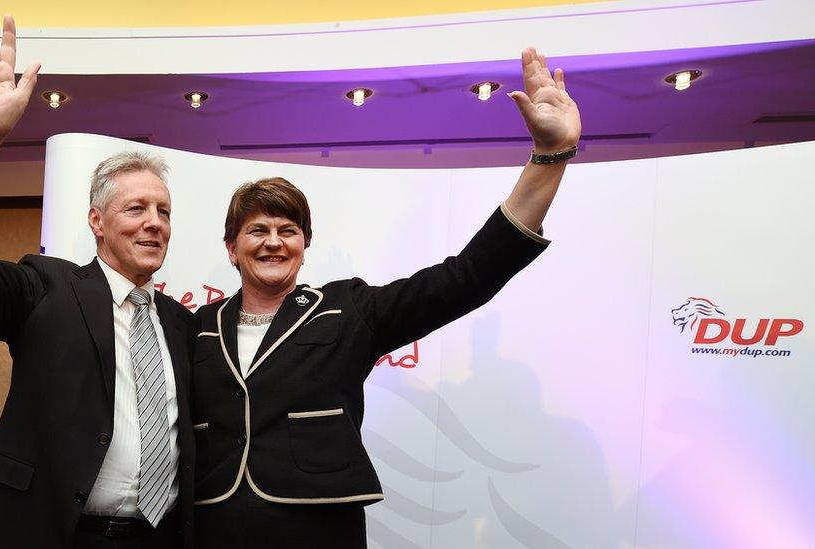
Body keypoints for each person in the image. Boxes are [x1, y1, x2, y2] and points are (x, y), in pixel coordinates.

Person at [190, 47, 581, 548]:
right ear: (231, 248)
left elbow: (467, 277)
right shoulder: (195, 325)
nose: (272, 241)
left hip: (318, 528)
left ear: (304, 248)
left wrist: (549, 159)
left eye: (287, 230)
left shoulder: (348, 309)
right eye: (256, 230)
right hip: (212, 527)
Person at [0, 5, 197, 548]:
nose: (153, 223)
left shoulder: (181, 324)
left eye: (163, 211)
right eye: (136, 208)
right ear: (96, 221)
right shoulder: (47, 288)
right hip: (55, 534)